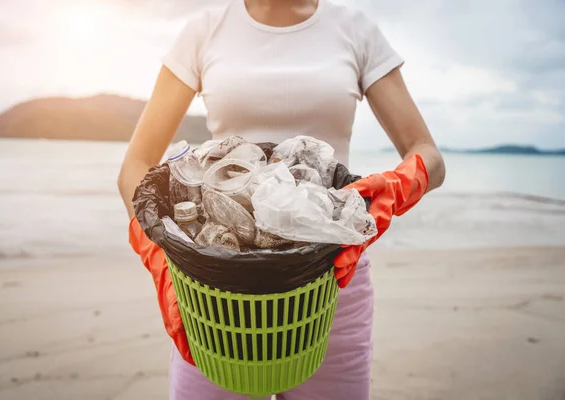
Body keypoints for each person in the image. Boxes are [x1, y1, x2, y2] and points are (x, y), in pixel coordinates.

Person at [118, 0, 446, 398]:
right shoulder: (205, 30)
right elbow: (136, 164)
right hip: (213, 292)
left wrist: (388, 191)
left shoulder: (354, 30)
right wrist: (161, 263)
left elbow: (426, 153)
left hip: (330, 279)